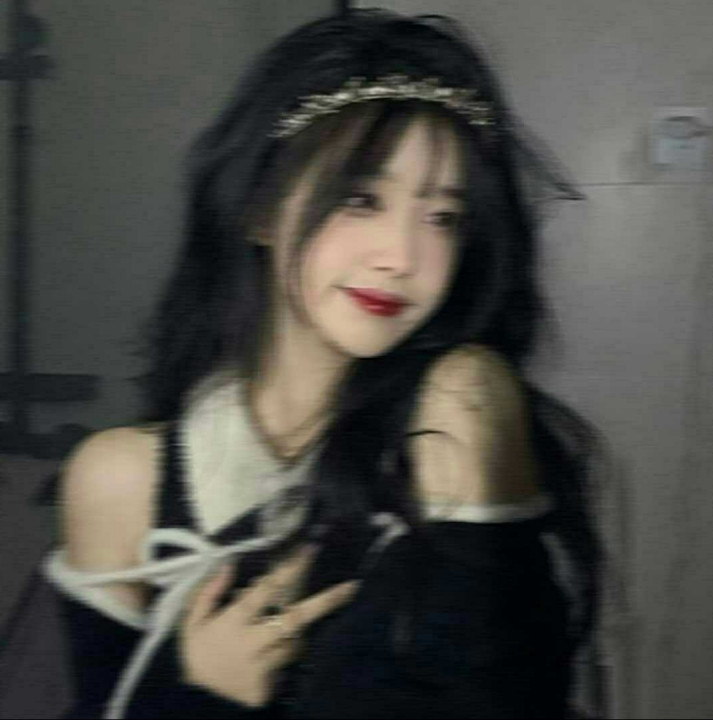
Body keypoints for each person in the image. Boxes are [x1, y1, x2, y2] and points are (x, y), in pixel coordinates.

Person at [40, 7, 613, 719]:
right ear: (260, 208)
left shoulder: (457, 414)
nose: (401, 256)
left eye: (443, 217)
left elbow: (510, 698)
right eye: (360, 199)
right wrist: (199, 692)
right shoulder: (121, 479)